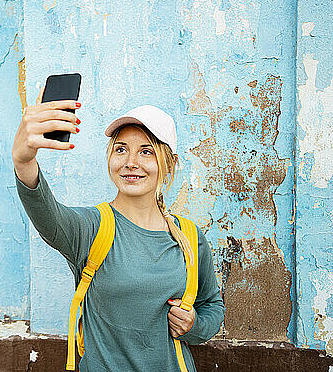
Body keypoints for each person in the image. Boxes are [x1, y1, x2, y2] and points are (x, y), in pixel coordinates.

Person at [11, 87, 225, 371]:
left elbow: (212, 306)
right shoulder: (91, 229)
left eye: (146, 151)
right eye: (120, 149)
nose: (130, 162)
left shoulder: (189, 237)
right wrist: (23, 160)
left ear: (169, 163)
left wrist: (193, 325)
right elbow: (45, 212)